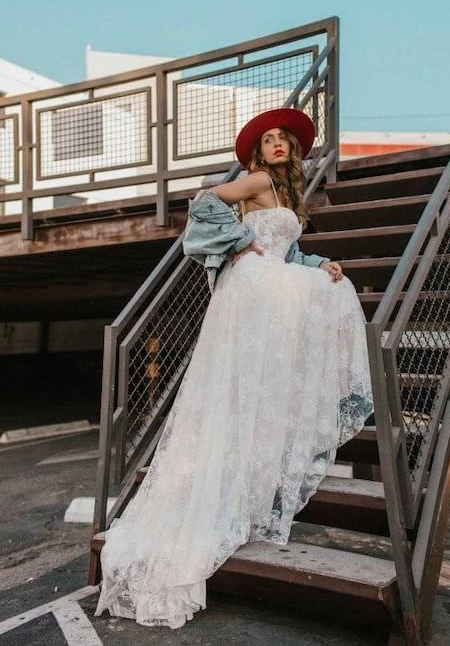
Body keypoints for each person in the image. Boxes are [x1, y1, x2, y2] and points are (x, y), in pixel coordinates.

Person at [94, 108, 373, 630]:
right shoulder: (260, 180)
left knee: (304, 327)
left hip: (271, 287)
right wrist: (239, 244)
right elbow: (203, 202)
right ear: (257, 154)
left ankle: (244, 485)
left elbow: (286, 251)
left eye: (281, 139)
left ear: (292, 148)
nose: (276, 145)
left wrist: (319, 263)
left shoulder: (286, 194)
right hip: (252, 290)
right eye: (267, 140)